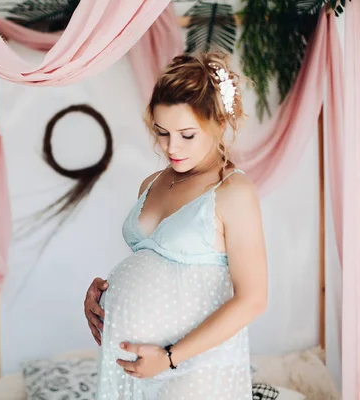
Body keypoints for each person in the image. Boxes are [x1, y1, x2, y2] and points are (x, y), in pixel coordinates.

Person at [84, 51, 268, 399]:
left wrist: (169, 358)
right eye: (162, 132)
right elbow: (154, 268)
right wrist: (104, 296)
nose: (171, 147)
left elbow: (253, 299)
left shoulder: (233, 192)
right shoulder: (152, 183)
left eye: (186, 135)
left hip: (192, 370)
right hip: (132, 367)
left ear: (218, 125)